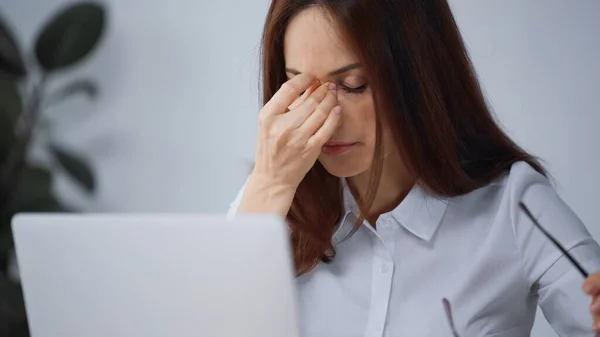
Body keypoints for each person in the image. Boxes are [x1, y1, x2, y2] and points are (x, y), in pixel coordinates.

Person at [227, 0, 600, 335]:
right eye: (300, 87)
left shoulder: (513, 206)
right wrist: (269, 185)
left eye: (354, 84)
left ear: (421, 76)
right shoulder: (270, 199)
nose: (327, 118)